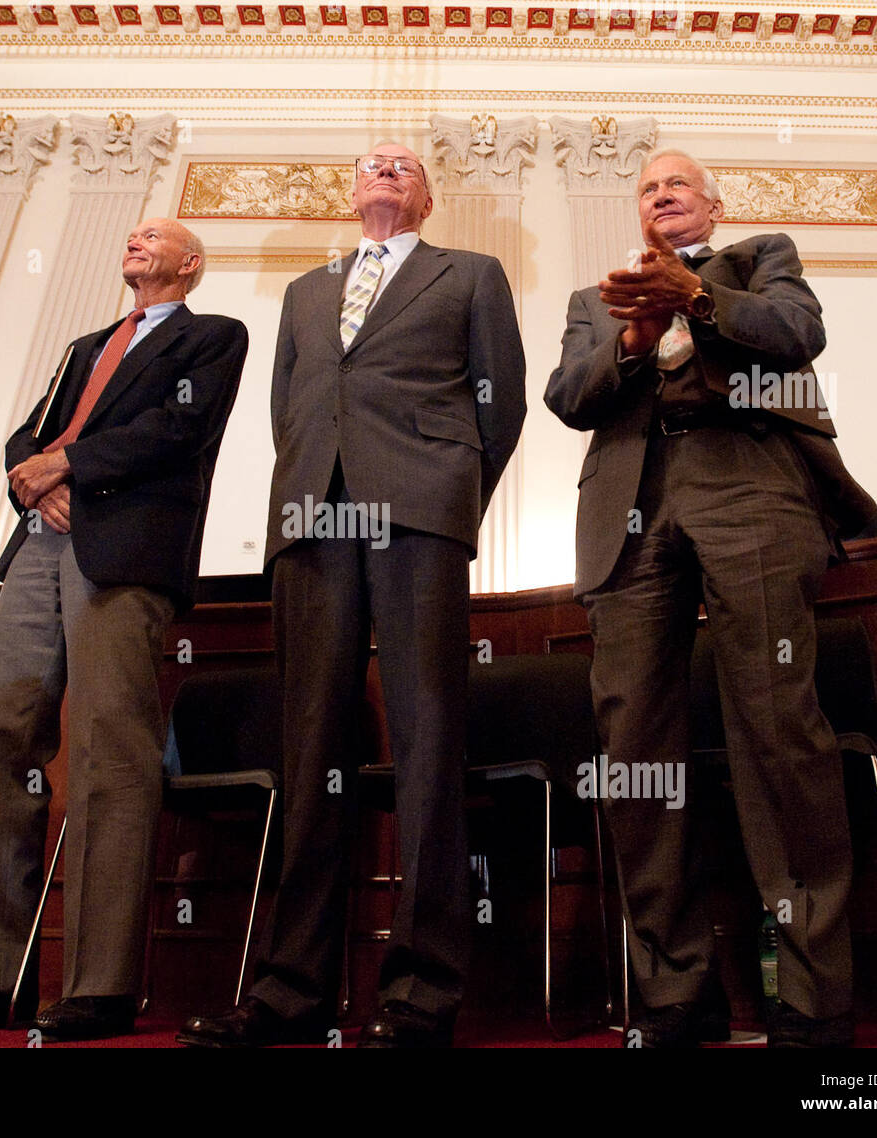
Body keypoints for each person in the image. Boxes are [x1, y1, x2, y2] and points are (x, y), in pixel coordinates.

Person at [178, 142, 526, 1049]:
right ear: (352, 190)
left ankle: (421, 995)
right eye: (373, 164)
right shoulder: (304, 291)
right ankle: (291, 992)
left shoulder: (473, 274)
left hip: (417, 516)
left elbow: (504, 405)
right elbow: (289, 407)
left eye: (405, 165)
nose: (386, 172)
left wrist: (450, 497)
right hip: (312, 523)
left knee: (428, 740)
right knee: (309, 751)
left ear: (427, 198)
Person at [545, 150, 877, 1048]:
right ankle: (673, 990)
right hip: (629, 503)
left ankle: (809, 993)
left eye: (677, 184)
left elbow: (794, 332)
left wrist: (693, 298)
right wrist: (629, 340)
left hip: (749, 480)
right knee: (634, 741)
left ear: (712, 206)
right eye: (648, 188)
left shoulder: (763, 256)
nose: (661, 195)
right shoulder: (597, 299)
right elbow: (566, 398)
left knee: (777, 726)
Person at [0, 218, 248, 1042]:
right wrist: (37, 478)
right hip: (37, 547)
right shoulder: (87, 343)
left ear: (188, 264)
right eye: (130, 231)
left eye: (154, 235)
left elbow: (177, 430)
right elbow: (29, 434)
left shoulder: (213, 338)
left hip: (123, 554)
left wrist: (71, 466)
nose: (134, 238)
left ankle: (100, 986)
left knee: (106, 749)